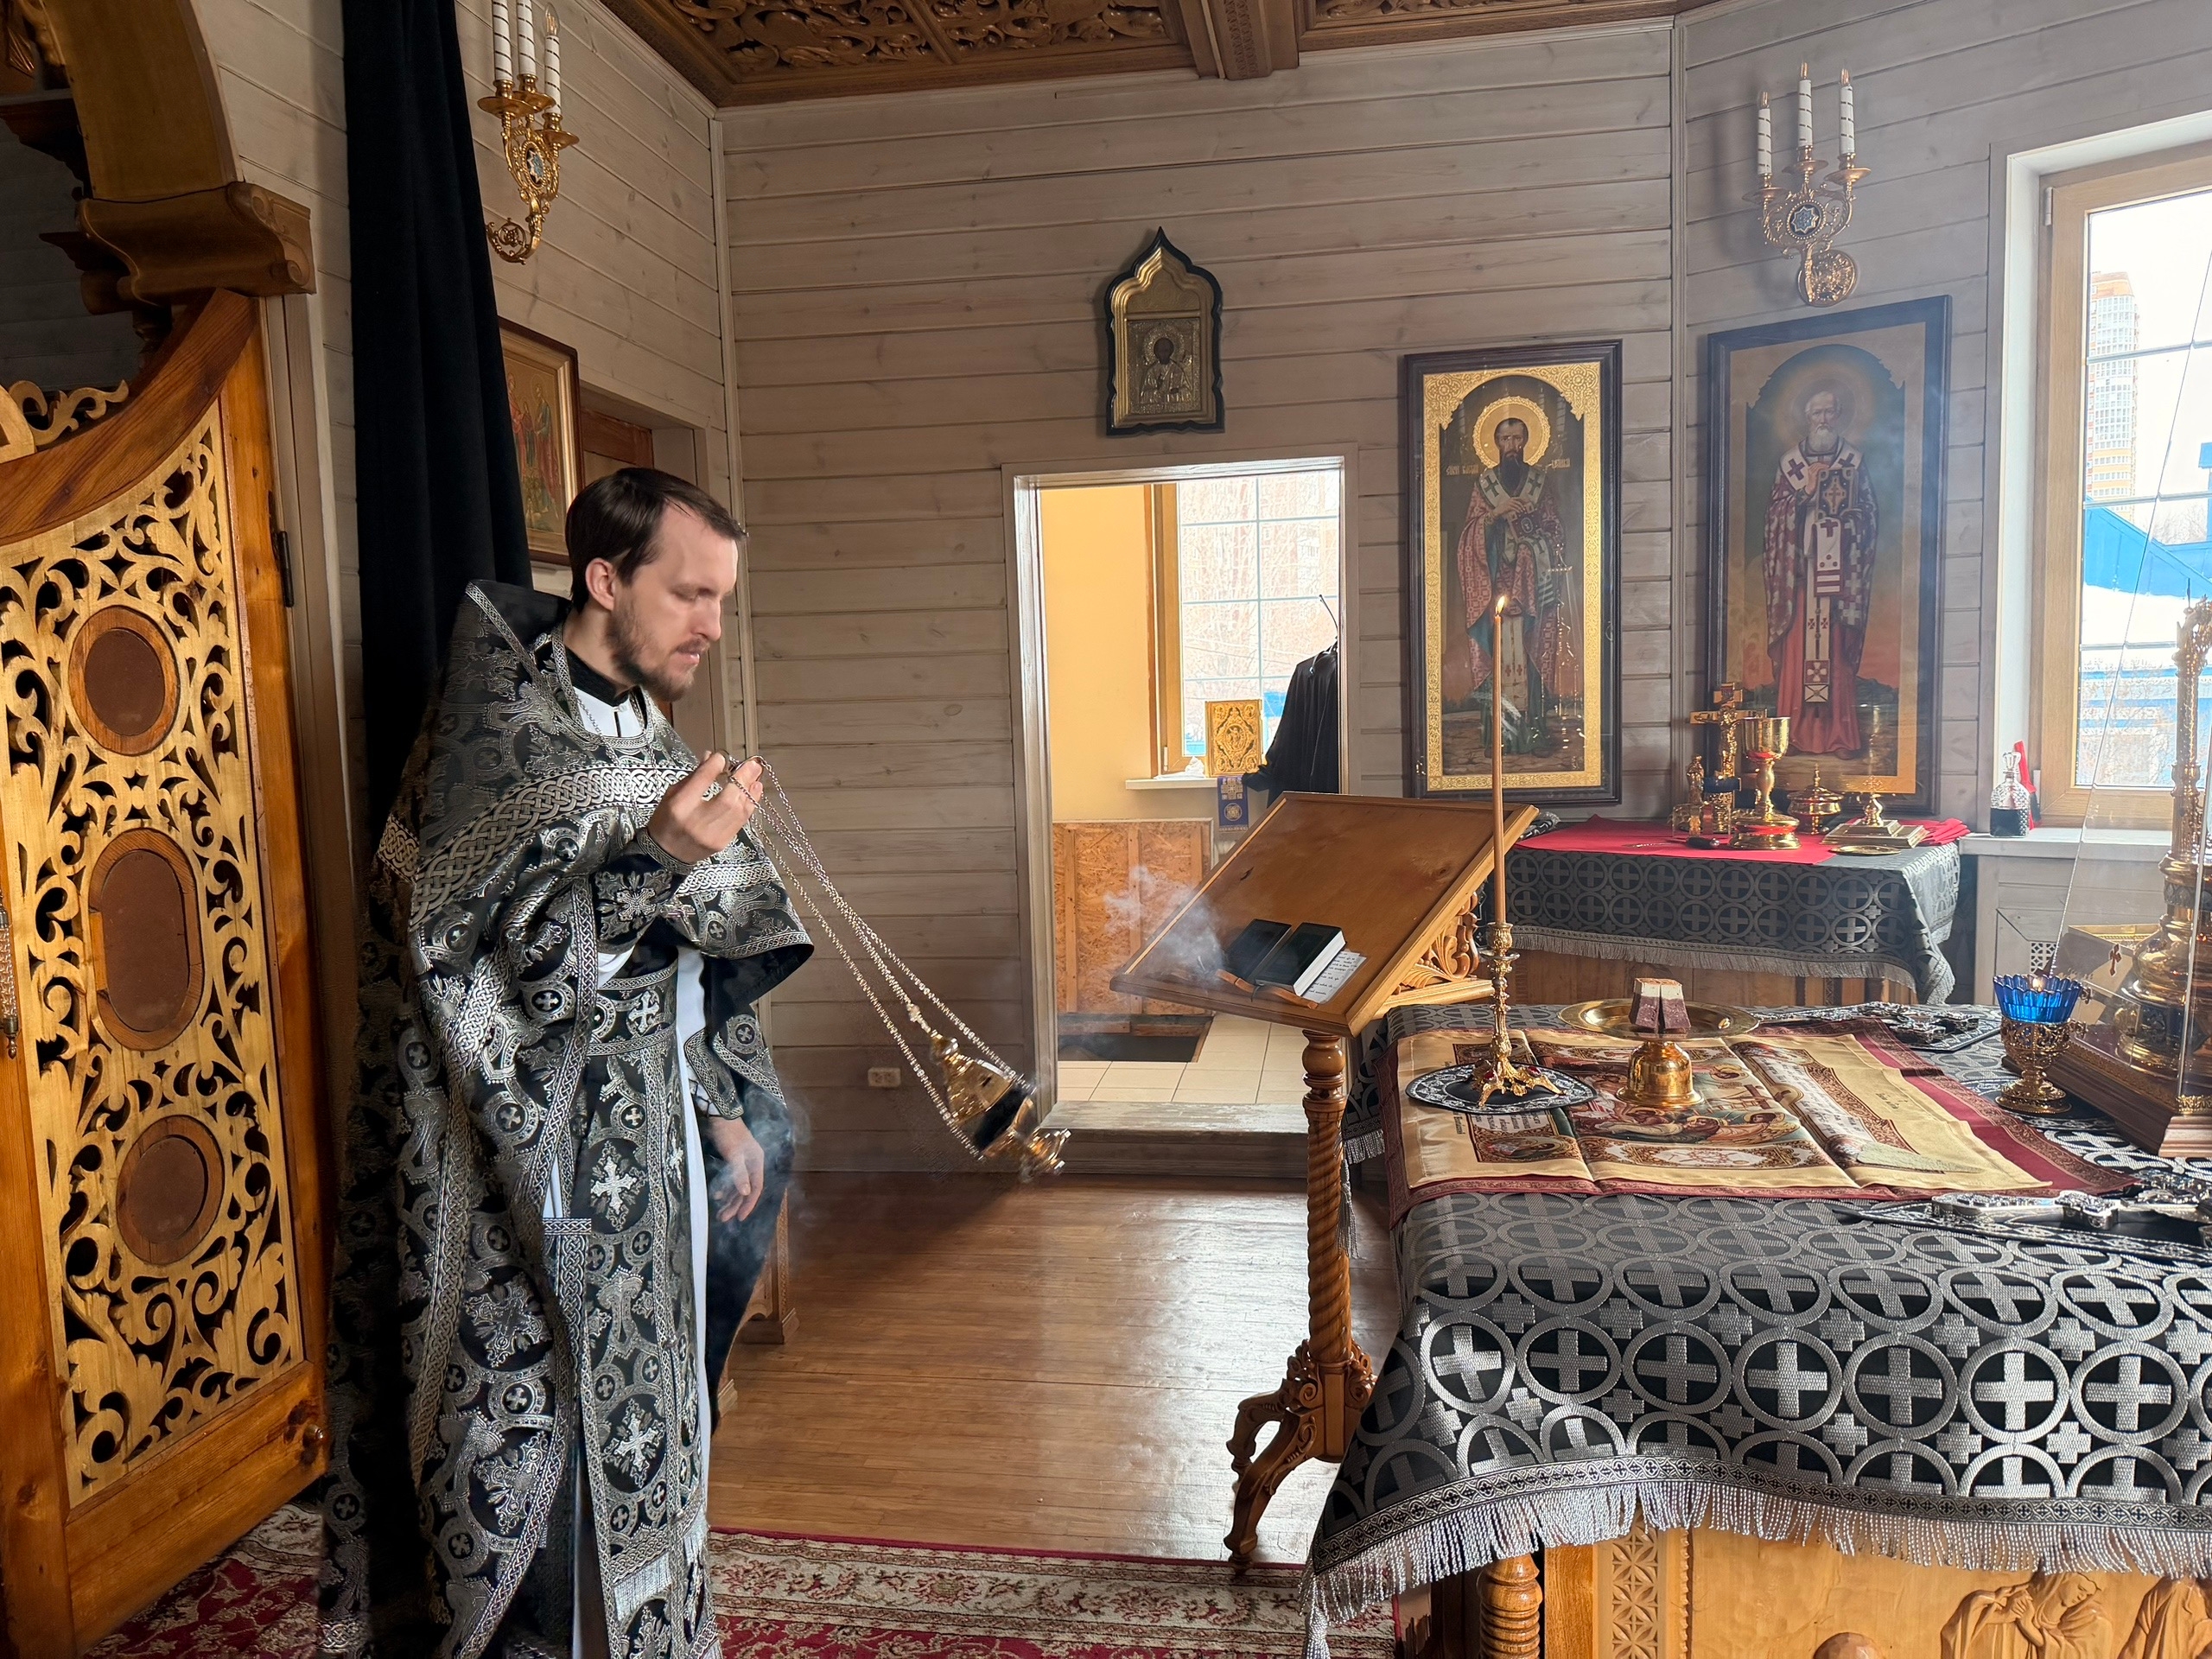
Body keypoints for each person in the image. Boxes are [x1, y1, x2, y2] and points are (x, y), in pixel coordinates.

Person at [321, 468, 813, 1659]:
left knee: (659, 1420)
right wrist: (659, 855)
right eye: (689, 594)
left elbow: (691, 951)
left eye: (721, 598)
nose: (710, 624)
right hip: (523, 1171)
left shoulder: (646, 731)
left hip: (656, 1150)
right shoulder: (496, 742)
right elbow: (496, 979)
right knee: (543, 1433)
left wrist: (723, 1106)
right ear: (605, 579)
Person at [1760, 382, 1878, 755]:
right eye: (1816, 413)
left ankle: (1840, 737)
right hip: (1801, 578)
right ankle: (1792, 737)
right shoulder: (1791, 464)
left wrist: (1843, 523)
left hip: (1837, 581)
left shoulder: (1853, 461)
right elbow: (1774, 519)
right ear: (1806, 417)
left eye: (1829, 411)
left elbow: (1869, 517)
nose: (1823, 419)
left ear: (1839, 415)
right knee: (1799, 654)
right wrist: (1805, 494)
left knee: (1835, 657)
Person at [1454, 416, 1577, 753]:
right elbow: (1468, 537)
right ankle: (1498, 737)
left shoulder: (1540, 482)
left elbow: (1556, 532)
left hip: (1532, 588)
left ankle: (1533, 733)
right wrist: (1495, 514)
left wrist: (1532, 538)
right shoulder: (1485, 485)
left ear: (1526, 441)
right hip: (1496, 586)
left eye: (1518, 439)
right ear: (1496, 443)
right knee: (1500, 657)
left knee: (1528, 654)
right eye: (1506, 439)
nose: (1513, 446)